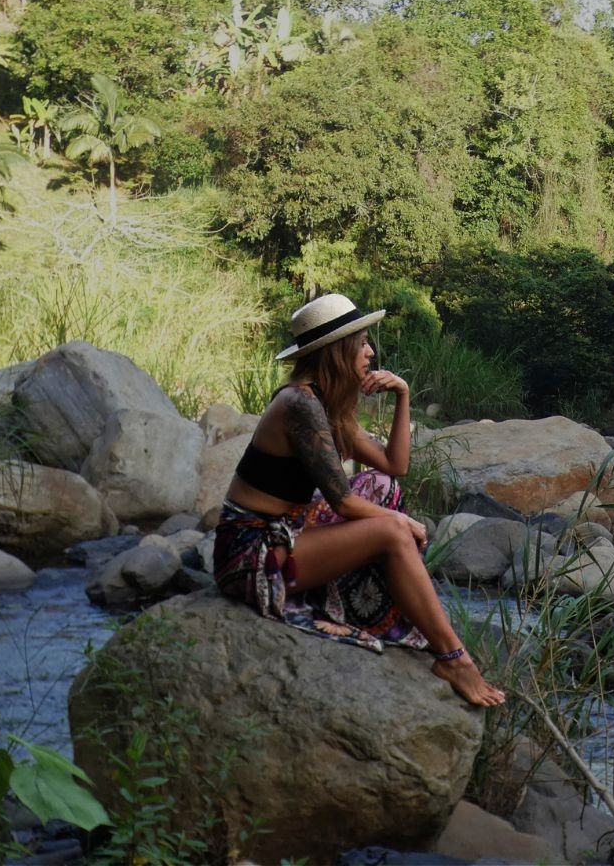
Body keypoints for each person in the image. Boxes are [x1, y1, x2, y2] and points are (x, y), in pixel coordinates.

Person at [212, 292, 506, 707]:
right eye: (363, 343)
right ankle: (454, 657)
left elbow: (393, 464)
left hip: (286, 535)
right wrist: (401, 525)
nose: (370, 352)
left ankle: (405, 605)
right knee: (390, 527)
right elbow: (344, 503)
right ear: (338, 351)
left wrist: (403, 394)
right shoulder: (299, 404)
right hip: (251, 555)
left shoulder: (327, 406)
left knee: (383, 488)